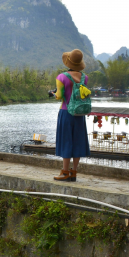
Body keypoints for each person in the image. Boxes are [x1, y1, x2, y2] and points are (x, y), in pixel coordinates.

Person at [49, 49, 90, 181]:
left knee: (66, 141)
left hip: (66, 112)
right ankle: (74, 172)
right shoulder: (84, 77)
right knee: (78, 142)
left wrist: (53, 93)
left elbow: (60, 96)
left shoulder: (62, 77)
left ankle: (65, 172)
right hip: (79, 113)